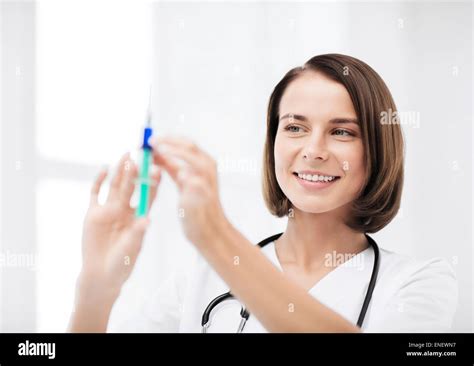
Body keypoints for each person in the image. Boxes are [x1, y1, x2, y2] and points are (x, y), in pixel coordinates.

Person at [68, 54, 457, 333]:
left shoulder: (419, 283)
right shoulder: (197, 285)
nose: (314, 150)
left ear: (377, 149)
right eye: (294, 127)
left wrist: (216, 236)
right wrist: (95, 291)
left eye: (342, 131)